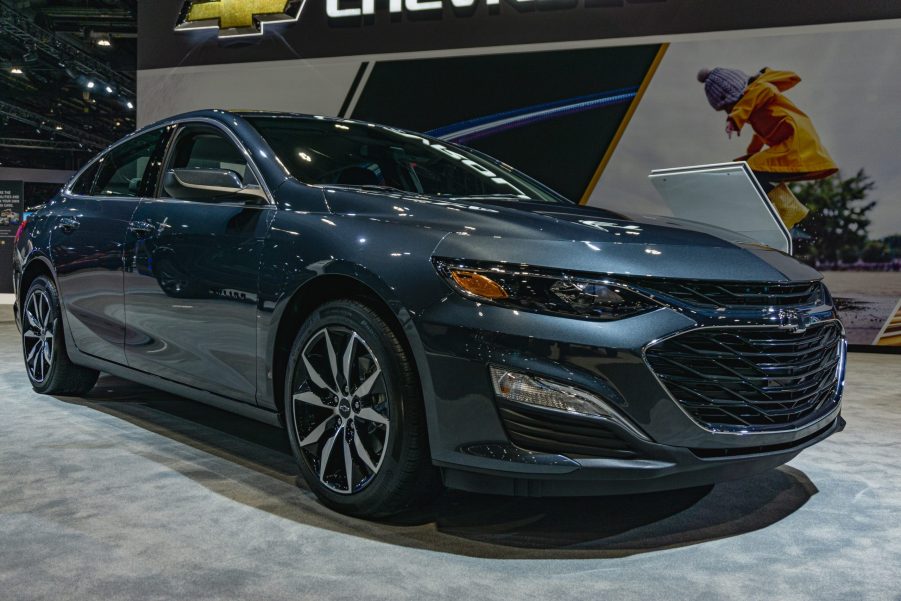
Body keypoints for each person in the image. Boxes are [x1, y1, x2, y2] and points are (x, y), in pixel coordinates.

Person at [698, 67, 838, 229]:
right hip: (790, 146)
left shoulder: (760, 89)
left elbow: (759, 93)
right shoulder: (758, 107)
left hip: (796, 145)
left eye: (728, 107)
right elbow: (761, 135)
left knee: (749, 170)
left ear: (739, 94)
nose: (729, 111)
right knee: (745, 169)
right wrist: (751, 154)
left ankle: (787, 209)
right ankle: (789, 208)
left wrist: (735, 118)